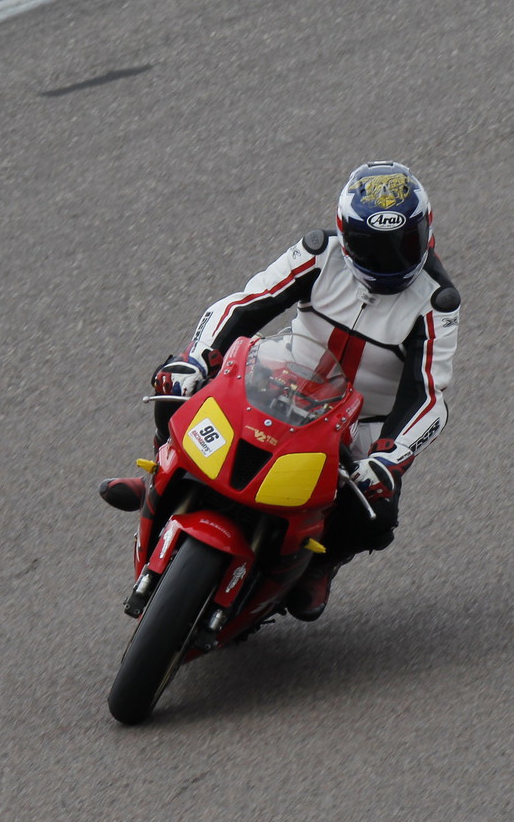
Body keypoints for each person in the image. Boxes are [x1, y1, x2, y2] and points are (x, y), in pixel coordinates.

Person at [99, 161, 460, 621]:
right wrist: (196, 358)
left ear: (426, 229)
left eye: (403, 243)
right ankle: (164, 469)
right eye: (372, 247)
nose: (389, 260)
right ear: (346, 236)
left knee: (376, 513)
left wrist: (389, 456)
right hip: (281, 378)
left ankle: (321, 564)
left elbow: (427, 395)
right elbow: (245, 305)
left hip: (361, 425)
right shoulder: (318, 253)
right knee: (173, 385)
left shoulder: (436, 302)